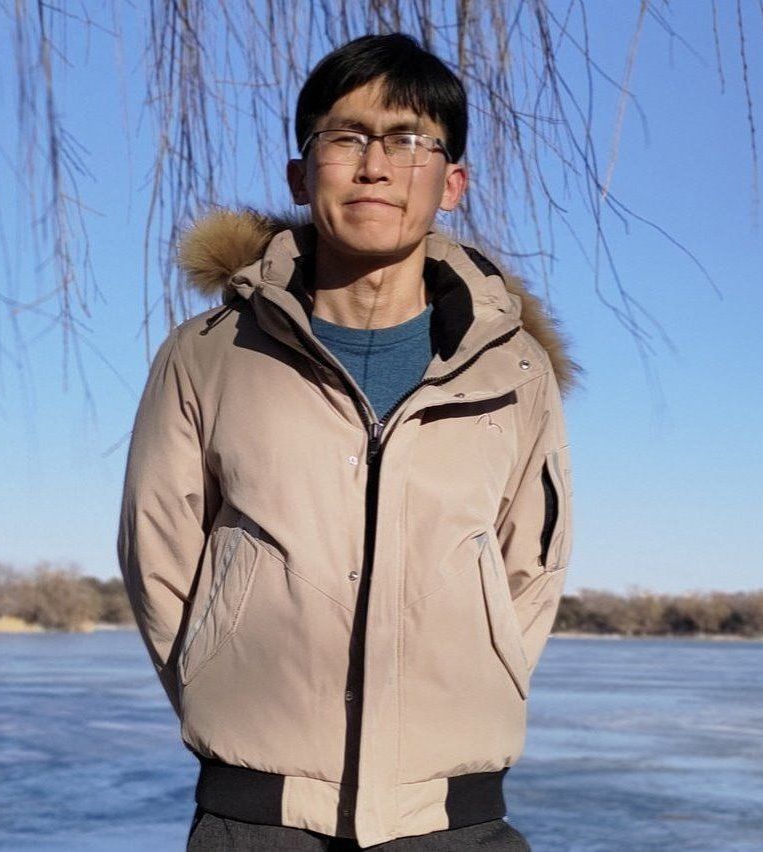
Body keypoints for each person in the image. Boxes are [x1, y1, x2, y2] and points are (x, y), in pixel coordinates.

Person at [117, 32, 575, 851]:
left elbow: (529, 569)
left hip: (453, 820)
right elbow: (160, 554)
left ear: (452, 182)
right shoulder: (208, 355)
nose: (376, 166)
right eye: (347, 137)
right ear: (302, 174)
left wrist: (480, 677)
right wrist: (218, 683)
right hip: (258, 819)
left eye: (409, 140)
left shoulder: (515, 370)